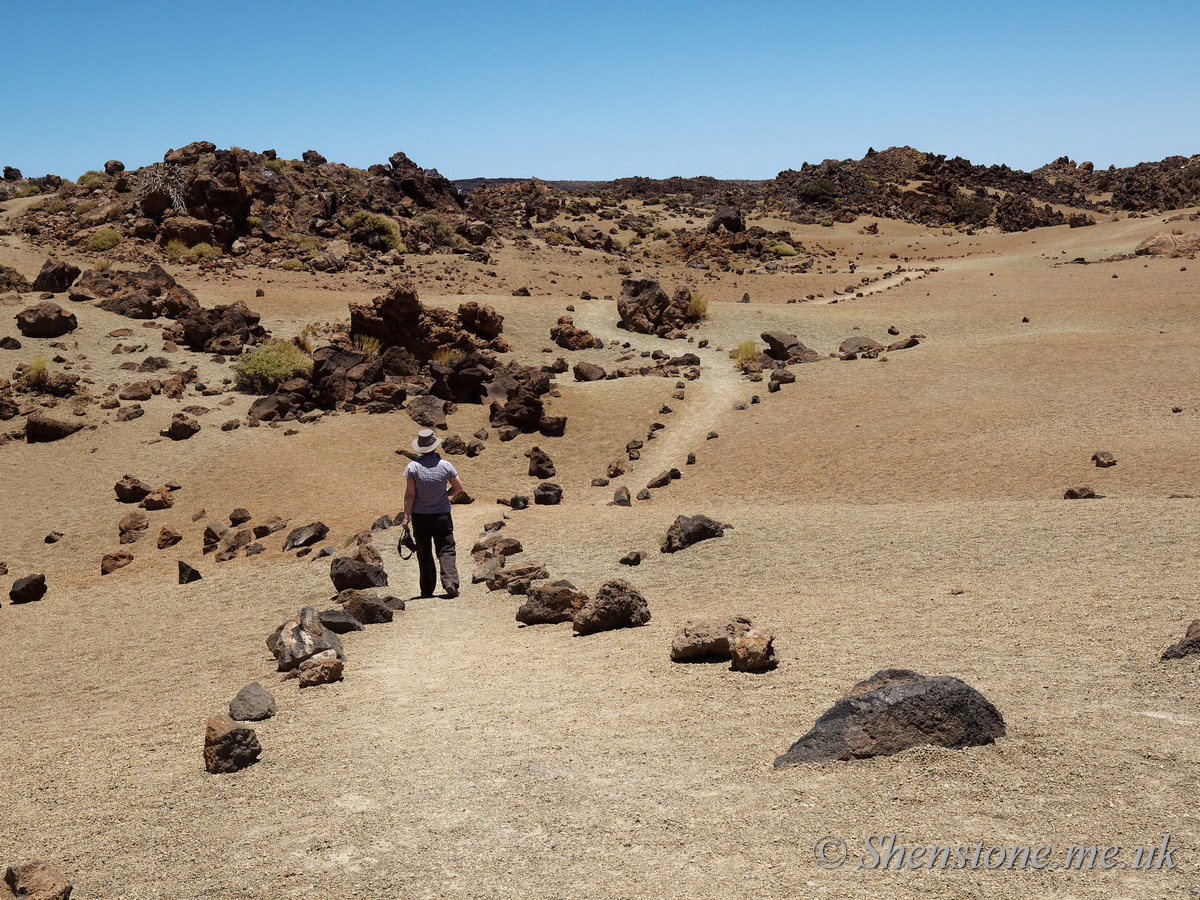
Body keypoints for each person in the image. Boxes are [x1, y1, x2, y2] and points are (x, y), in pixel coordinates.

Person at [400, 429, 464, 598]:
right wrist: (445, 495)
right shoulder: (445, 465)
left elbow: (410, 494)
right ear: (435, 446)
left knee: (424, 552)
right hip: (442, 514)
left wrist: (406, 517)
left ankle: (427, 589)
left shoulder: (413, 467)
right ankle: (450, 581)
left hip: (420, 517)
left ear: (420, 448)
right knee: (446, 548)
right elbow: (459, 488)